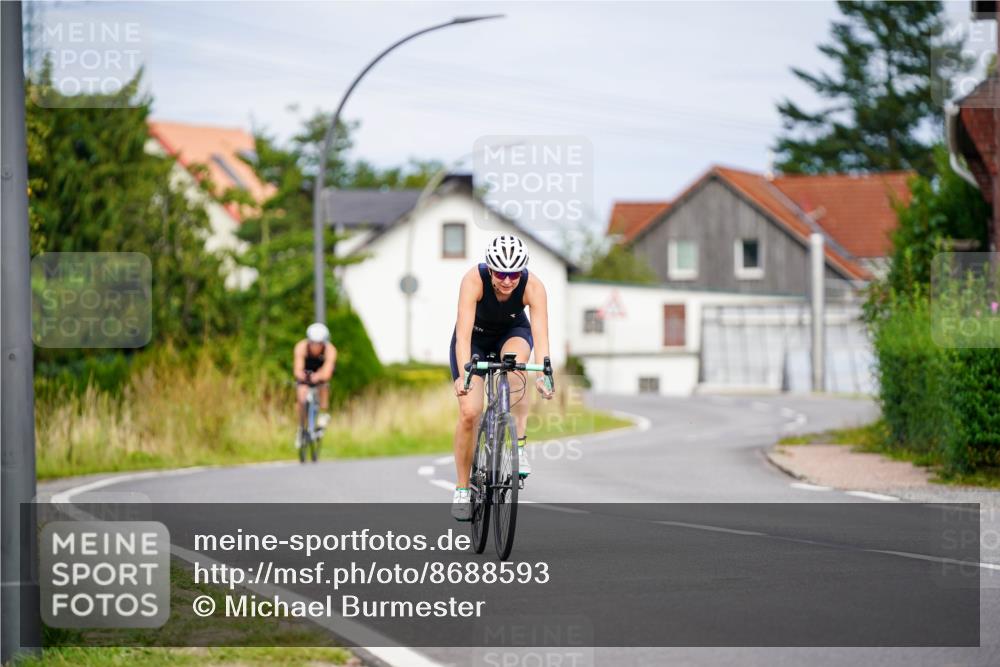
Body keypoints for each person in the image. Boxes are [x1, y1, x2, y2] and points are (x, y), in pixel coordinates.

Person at [449, 234, 555, 521]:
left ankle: (518, 442)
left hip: (512, 334)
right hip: (475, 341)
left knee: (517, 368)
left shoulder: (533, 286)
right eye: (500, 273)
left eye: (513, 273)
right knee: (470, 412)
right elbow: (463, 334)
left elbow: (541, 336)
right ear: (490, 268)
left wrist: (545, 373)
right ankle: (461, 487)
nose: (507, 280)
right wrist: (463, 375)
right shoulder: (473, 280)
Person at [293, 322, 337, 447]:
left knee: (323, 386)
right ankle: (301, 428)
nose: (315, 346)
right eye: (313, 343)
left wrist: (317, 377)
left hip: (321, 371)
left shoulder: (330, 350)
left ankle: (323, 413)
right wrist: (303, 377)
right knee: (301, 394)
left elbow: (327, 371)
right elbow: (297, 369)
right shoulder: (301, 347)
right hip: (306, 370)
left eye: (319, 343)